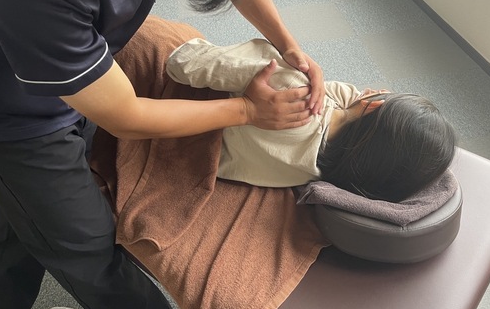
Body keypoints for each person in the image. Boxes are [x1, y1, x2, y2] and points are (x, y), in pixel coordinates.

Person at [0, 0, 325, 309]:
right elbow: (124, 114)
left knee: (20, 215)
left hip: (73, 54)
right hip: (11, 107)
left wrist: (287, 43)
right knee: (88, 248)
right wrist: (247, 110)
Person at [167, 38, 457, 203]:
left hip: (181, 109)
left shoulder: (291, 87)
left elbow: (181, 64)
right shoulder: (325, 169)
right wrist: (359, 107)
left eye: (384, 93)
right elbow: (342, 97)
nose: (375, 88)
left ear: (373, 107)